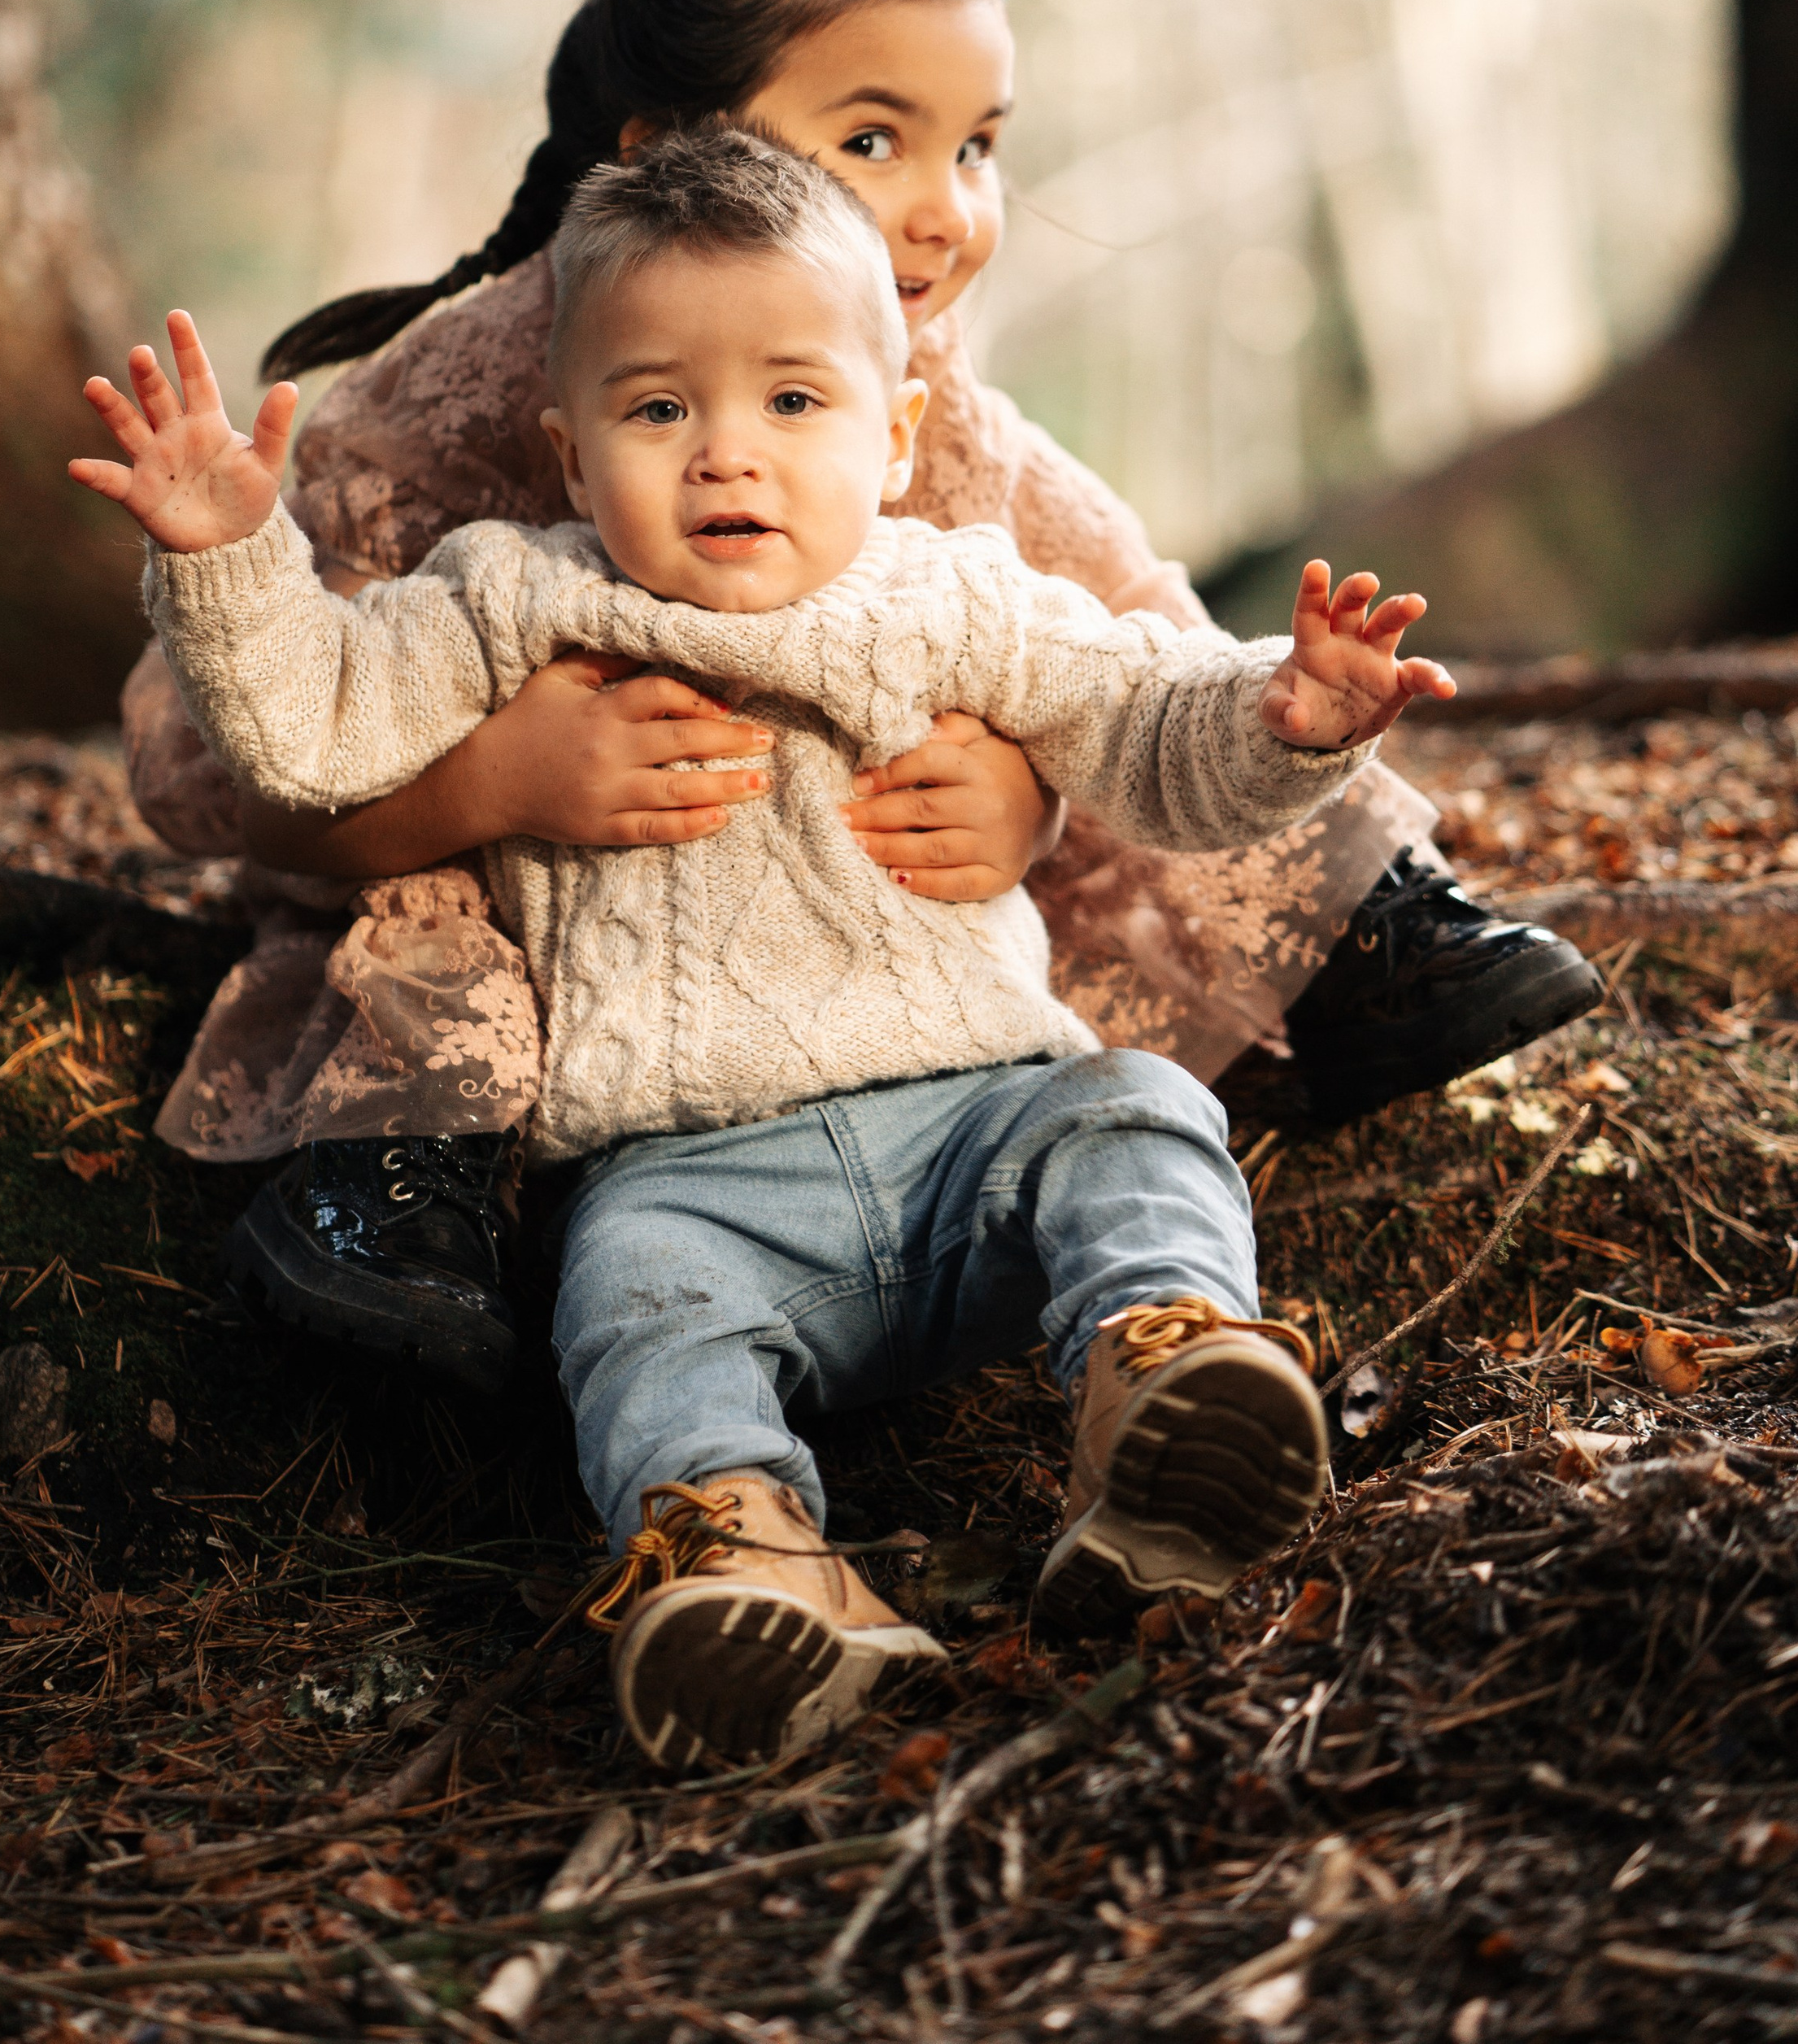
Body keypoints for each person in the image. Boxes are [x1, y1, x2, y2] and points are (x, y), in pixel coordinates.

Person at [118, 0, 1599, 1396]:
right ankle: (409, 1187)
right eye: (878, 138)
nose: (946, 211)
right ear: (670, 155)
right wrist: (489, 786)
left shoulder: (914, 383)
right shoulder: (461, 396)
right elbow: (231, 766)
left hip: (855, 912)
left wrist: (1039, 801)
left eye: (977, 149)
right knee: (435, 937)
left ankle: (1357, 941)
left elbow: (1127, 620)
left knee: (1120, 703)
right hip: (547, 897)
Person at [74, 128, 1458, 1768]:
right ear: (574, 456)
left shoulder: (954, 594)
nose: (726, 455)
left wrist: (1285, 719)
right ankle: (732, 1542)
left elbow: (1152, 734)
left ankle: (1159, 1367)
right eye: (658, 408)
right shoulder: (514, 599)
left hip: (974, 1136)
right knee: (625, 1301)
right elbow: (309, 732)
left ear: (893, 439)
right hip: (692, 1179)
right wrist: (229, 558)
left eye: (791, 402)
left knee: (1135, 1110)